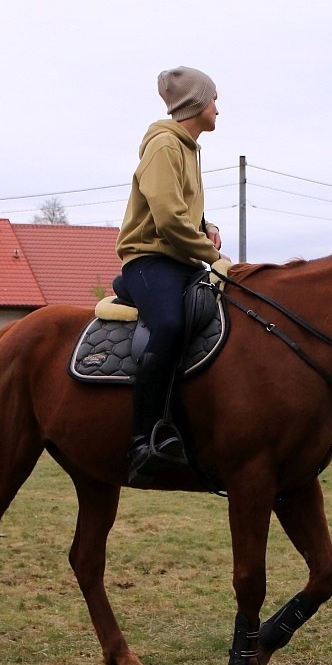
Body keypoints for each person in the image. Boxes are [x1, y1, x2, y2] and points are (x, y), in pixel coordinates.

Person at [115, 65, 230, 484]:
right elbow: (165, 219)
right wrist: (215, 258)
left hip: (182, 262)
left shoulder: (189, 147)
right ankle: (144, 440)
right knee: (169, 324)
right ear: (196, 103)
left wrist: (207, 227)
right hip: (150, 262)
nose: (219, 107)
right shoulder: (164, 145)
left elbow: (182, 212)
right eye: (214, 98)